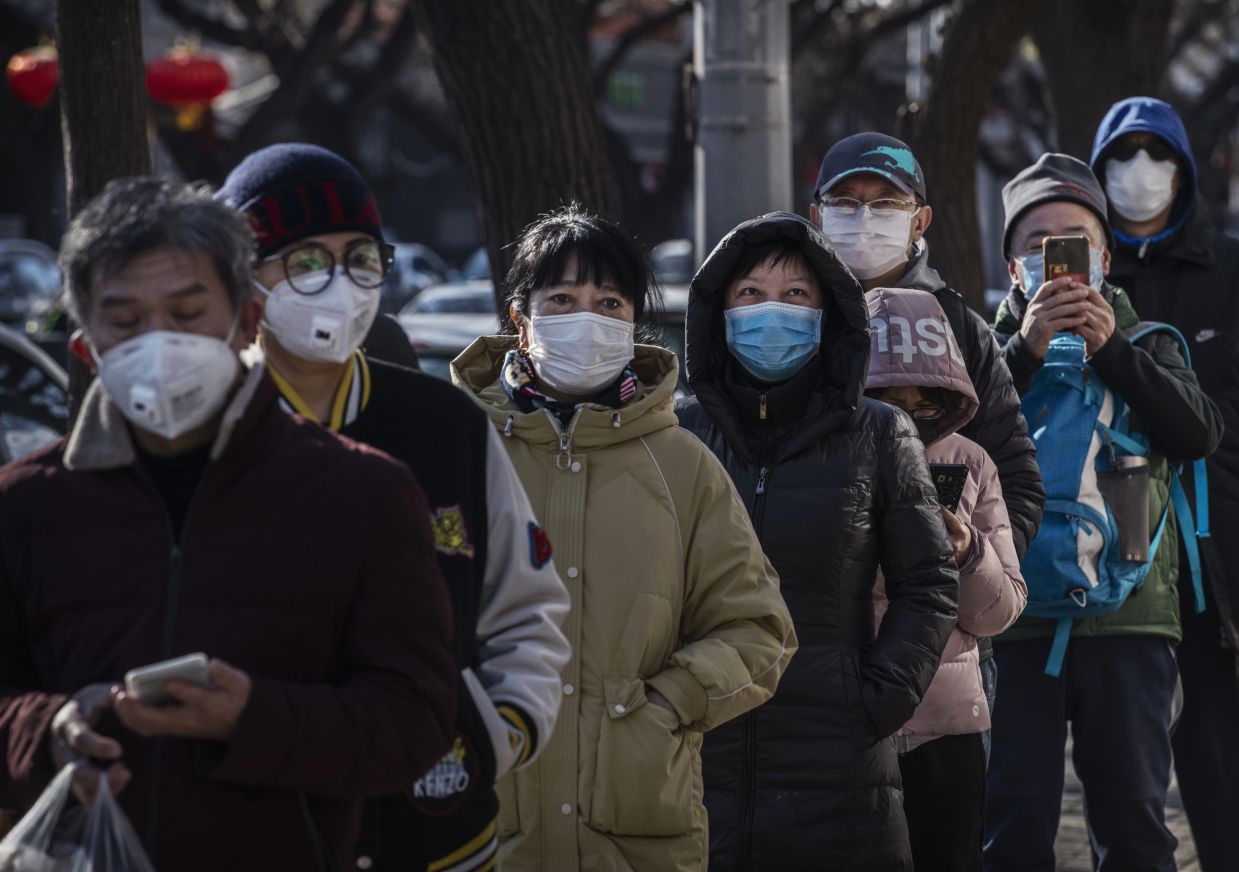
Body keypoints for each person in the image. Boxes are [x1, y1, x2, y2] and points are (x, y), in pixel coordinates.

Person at [0, 177, 457, 870]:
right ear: (87, 349)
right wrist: (47, 731)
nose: (159, 343)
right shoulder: (27, 505)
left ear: (247, 322)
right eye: (124, 323)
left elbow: (414, 722)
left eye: (187, 313)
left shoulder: (363, 494)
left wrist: (253, 718)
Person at [218, 142, 572, 872]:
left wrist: (497, 731)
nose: (339, 282)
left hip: (438, 832)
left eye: (360, 257)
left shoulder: (443, 425)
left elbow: (526, 608)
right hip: (249, 832)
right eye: (306, 260)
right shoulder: (205, 434)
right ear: (245, 279)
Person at [450, 205, 796, 872]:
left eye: (610, 302)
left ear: (634, 321)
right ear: (520, 320)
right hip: (485, 826)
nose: (588, 317)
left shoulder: (683, 465)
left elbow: (759, 629)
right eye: (562, 299)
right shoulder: (459, 452)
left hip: (638, 834)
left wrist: (667, 704)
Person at [679, 212, 960, 870]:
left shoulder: (879, 434)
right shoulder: (677, 436)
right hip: (701, 761)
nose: (770, 311)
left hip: (840, 772)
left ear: (828, 313)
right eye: (749, 294)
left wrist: (874, 701)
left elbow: (929, 583)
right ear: (717, 313)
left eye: (795, 295)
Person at [984, 153, 1223, 871]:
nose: (1056, 259)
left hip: (1130, 615)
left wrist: (1111, 349)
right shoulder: (978, 350)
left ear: (1105, 258)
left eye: (1075, 241)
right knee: (1012, 824)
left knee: (1135, 826)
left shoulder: (1147, 344)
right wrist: (1023, 352)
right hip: (1010, 616)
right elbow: (950, 435)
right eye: (1037, 244)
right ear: (1011, 265)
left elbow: (1198, 435)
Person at [1090, 96, 1239, 871]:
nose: (1140, 173)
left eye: (1156, 154)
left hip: (1214, 569)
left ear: (1185, 168)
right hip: (1112, 565)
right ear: (1100, 173)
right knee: (1123, 793)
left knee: (1231, 782)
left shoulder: (1235, 271)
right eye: (1122, 156)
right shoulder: (1078, 278)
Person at [810, 132, 1043, 733]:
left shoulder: (958, 326)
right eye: (846, 201)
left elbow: (1014, 476)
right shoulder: (795, 320)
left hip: (943, 654)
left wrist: (963, 572)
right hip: (815, 641)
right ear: (816, 217)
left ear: (920, 221)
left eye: (886, 203)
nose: (864, 218)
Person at [864, 287, 1027, 871]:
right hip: (853, 719)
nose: (908, 418)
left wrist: (964, 550)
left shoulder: (972, 462)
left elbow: (1000, 610)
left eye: (925, 404)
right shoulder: (832, 452)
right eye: (886, 400)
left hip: (947, 726)